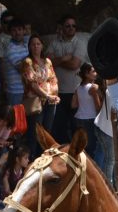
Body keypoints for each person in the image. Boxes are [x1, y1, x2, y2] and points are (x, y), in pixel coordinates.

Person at [46, 15, 89, 143]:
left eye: (73, 26)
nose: (71, 28)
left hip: (75, 92)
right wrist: (64, 58)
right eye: (68, 26)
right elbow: (47, 61)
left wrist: (56, 60)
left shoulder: (79, 43)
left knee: (76, 127)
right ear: (62, 28)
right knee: (59, 127)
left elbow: (74, 65)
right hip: (57, 93)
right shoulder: (54, 42)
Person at [21, 34, 59, 155]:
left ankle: (44, 158)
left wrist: (54, 95)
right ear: (29, 47)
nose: (36, 46)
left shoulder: (47, 61)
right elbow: (32, 84)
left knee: (46, 133)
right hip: (35, 102)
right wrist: (47, 95)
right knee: (34, 133)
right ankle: (32, 159)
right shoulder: (27, 62)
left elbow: (53, 79)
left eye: (38, 44)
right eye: (33, 44)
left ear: (42, 46)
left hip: (50, 101)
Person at [71, 62, 101, 165]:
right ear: (87, 74)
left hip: (78, 119)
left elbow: (73, 105)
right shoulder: (94, 88)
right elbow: (98, 107)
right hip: (90, 120)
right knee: (92, 148)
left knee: (81, 146)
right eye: (93, 71)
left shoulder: (77, 87)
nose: (96, 73)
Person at [2, 18, 30, 107]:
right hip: (15, 92)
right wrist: (32, 56)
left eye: (19, 30)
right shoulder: (10, 49)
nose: (17, 33)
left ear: (24, 31)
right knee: (17, 119)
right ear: (10, 33)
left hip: (28, 90)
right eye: (14, 30)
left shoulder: (26, 45)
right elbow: (21, 68)